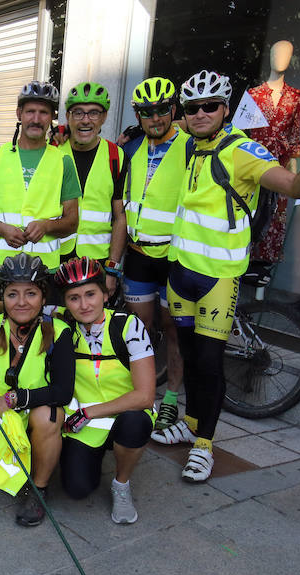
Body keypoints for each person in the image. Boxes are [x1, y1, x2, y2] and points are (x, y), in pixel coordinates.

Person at [153, 70, 300, 482]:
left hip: (217, 278)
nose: (199, 114)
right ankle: (191, 423)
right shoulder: (188, 145)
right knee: (188, 354)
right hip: (180, 271)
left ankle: (204, 446)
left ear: (226, 109)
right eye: (192, 107)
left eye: (209, 106)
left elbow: (295, 188)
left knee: (211, 361)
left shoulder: (243, 150)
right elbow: (163, 123)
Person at [0, 253, 74, 527]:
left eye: (31, 294)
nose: (22, 302)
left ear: (43, 298)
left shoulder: (58, 332)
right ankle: (32, 463)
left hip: (34, 414)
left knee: (48, 414)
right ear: (3, 298)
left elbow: (63, 392)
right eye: (12, 294)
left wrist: (17, 398)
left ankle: (40, 487)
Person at [55, 256, 156, 524]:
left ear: (105, 292)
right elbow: (23, 303)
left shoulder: (128, 325)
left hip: (123, 412)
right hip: (85, 423)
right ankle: (91, 455)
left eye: (91, 294)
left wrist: (90, 412)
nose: (84, 304)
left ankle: (121, 483)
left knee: (135, 424)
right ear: (65, 302)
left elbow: (145, 396)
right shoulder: (62, 324)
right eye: (74, 298)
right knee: (76, 489)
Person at [0, 81, 81, 302]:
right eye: (30, 111)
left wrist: (46, 226)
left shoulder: (63, 161)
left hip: (43, 266)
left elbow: (73, 221)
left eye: (43, 112)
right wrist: (0, 228)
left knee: (42, 331)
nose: (36, 119)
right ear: (19, 113)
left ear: (51, 117)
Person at [121, 77, 188, 430]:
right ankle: (142, 392)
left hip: (175, 257)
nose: (155, 118)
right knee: (141, 328)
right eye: (147, 112)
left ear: (173, 110)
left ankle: (171, 399)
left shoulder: (192, 146)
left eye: (162, 110)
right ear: (138, 115)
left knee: (173, 328)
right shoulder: (131, 148)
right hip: (138, 254)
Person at [56, 82, 127, 295]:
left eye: (94, 113)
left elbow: (120, 217)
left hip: (97, 261)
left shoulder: (116, 156)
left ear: (104, 117)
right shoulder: (53, 150)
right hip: (55, 256)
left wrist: (112, 269)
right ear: (68, 116)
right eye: (78, 113)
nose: (86, 120)